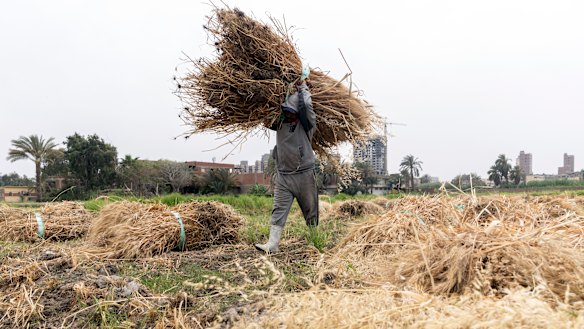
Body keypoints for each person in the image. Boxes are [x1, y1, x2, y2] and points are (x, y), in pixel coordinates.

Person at [255, 81, 319, 253]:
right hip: (283, 175)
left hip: (304, 174)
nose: (288, 114)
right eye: (286, 111)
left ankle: (316, 241)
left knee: (310, 210)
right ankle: (273, 244)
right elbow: (262, 116)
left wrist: (303, 87)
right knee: (278, 209)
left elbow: (306, 104)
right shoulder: (280, 123)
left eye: (292, 111)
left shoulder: (307, 124)